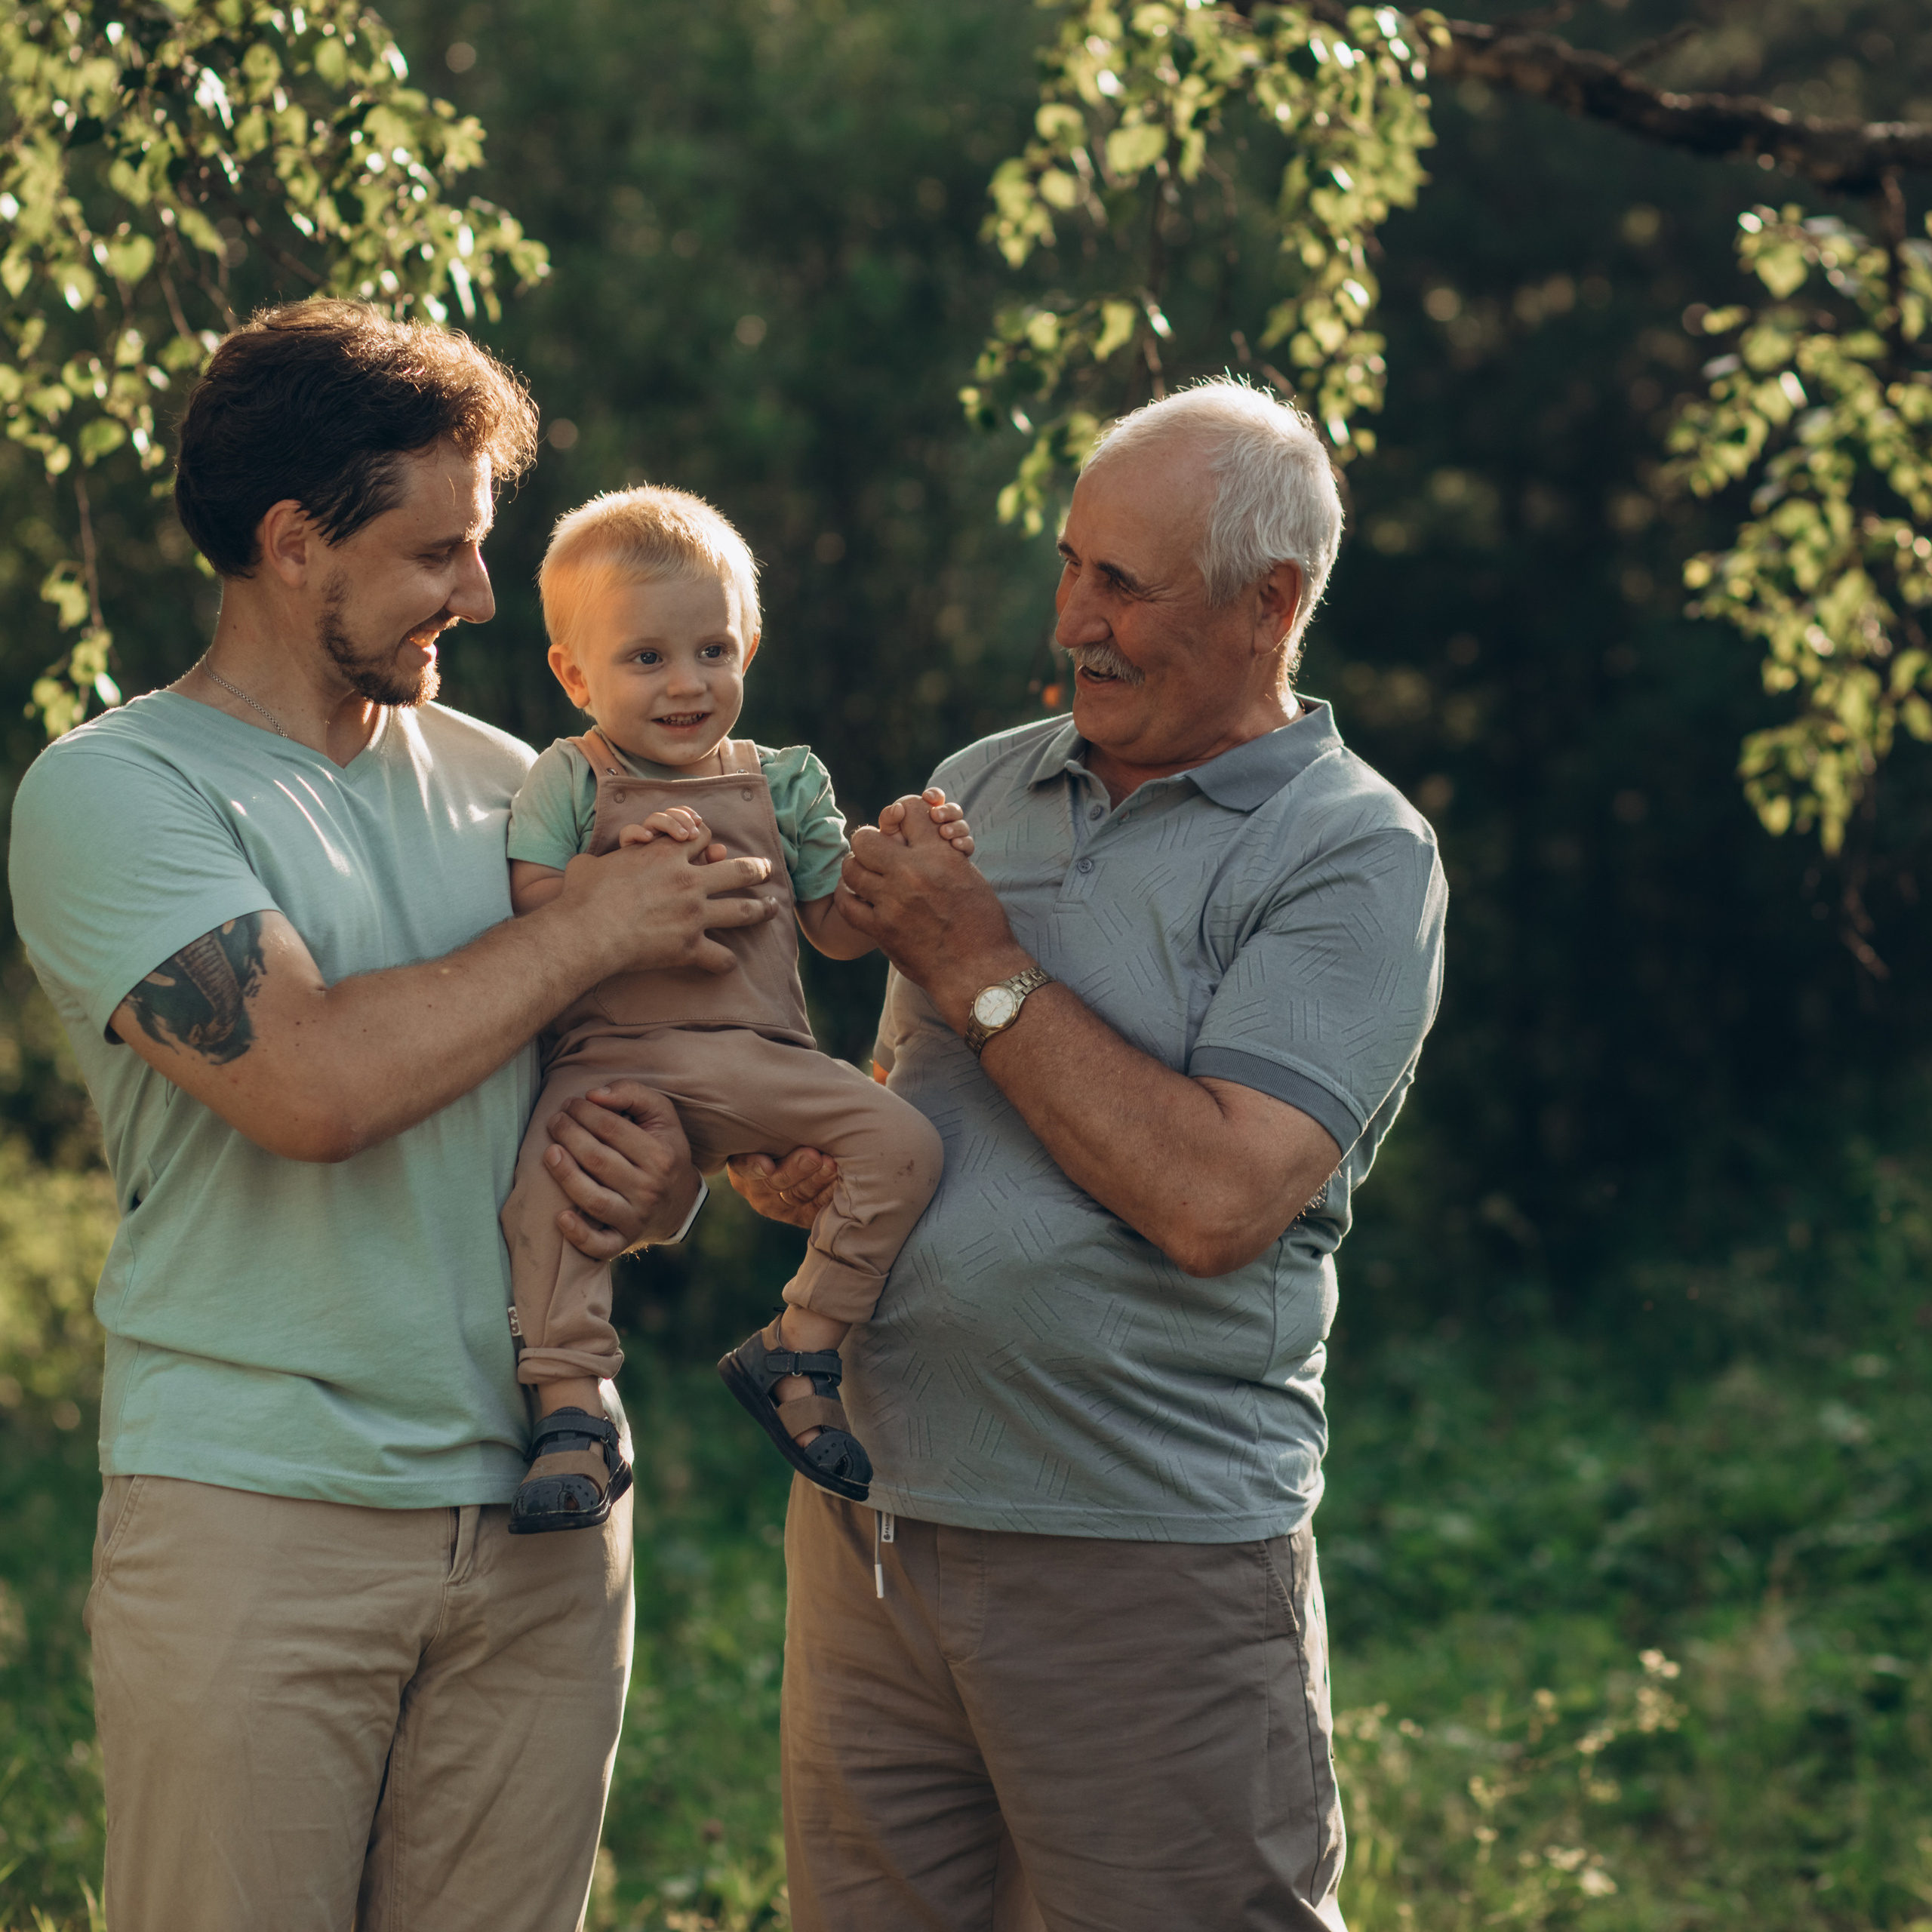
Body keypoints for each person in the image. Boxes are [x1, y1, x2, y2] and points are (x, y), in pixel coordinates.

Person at [5, 300, 780, 1932]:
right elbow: (313, 1084)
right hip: (259, 1524)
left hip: (547, 1522)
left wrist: (657, 1175)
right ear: (295, 543)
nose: (481, 595)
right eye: (438, 552)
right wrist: (590, 927)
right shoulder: (119, 790)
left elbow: (629, 1086)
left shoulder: (524, 787)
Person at [735, 377, 1450, 1931]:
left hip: (1144, 1557)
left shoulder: (1353, 850)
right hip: (872, 1528)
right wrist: (791, 1151)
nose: (1071, 621)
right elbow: (906, 1103)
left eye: (1123, 585)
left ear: (1269, 605)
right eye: (1069, 566)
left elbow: (1217, 1200)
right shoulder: (981, 784)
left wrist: (982, 965)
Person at [496, 485, 969, 1526]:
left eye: (713, 650)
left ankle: (801, 1346)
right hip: (610, 1063)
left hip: (760, 1059)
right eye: (646, 657)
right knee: (548, 1191)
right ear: (575, 674)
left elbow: (835, 928)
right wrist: (613, 874)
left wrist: (906, 865)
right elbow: (532, 912)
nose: (686, 682)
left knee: (906, 1146)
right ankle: (569, 1409)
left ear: (749, 646)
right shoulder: (569, 780)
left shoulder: (784, 782)